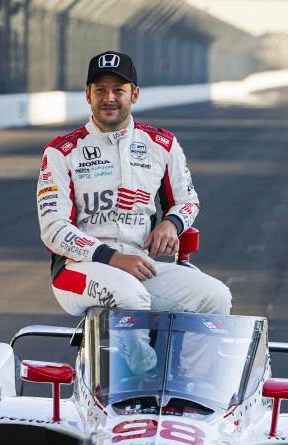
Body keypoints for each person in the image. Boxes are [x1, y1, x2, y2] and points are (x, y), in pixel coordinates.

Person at [37, 50, 232, 317]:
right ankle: (141, 361)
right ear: (88, 95)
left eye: (118, 90)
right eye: (100, 90)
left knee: (216, 296)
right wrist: (112, 258)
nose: (109, 98)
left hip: (140, 264)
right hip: (76, 268)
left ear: (134, 95)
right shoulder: (62, 151)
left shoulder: (161, 144)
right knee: (129, 296)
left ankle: (183, 361)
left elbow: (187, 202)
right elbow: (53, 229)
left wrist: (170, 224)